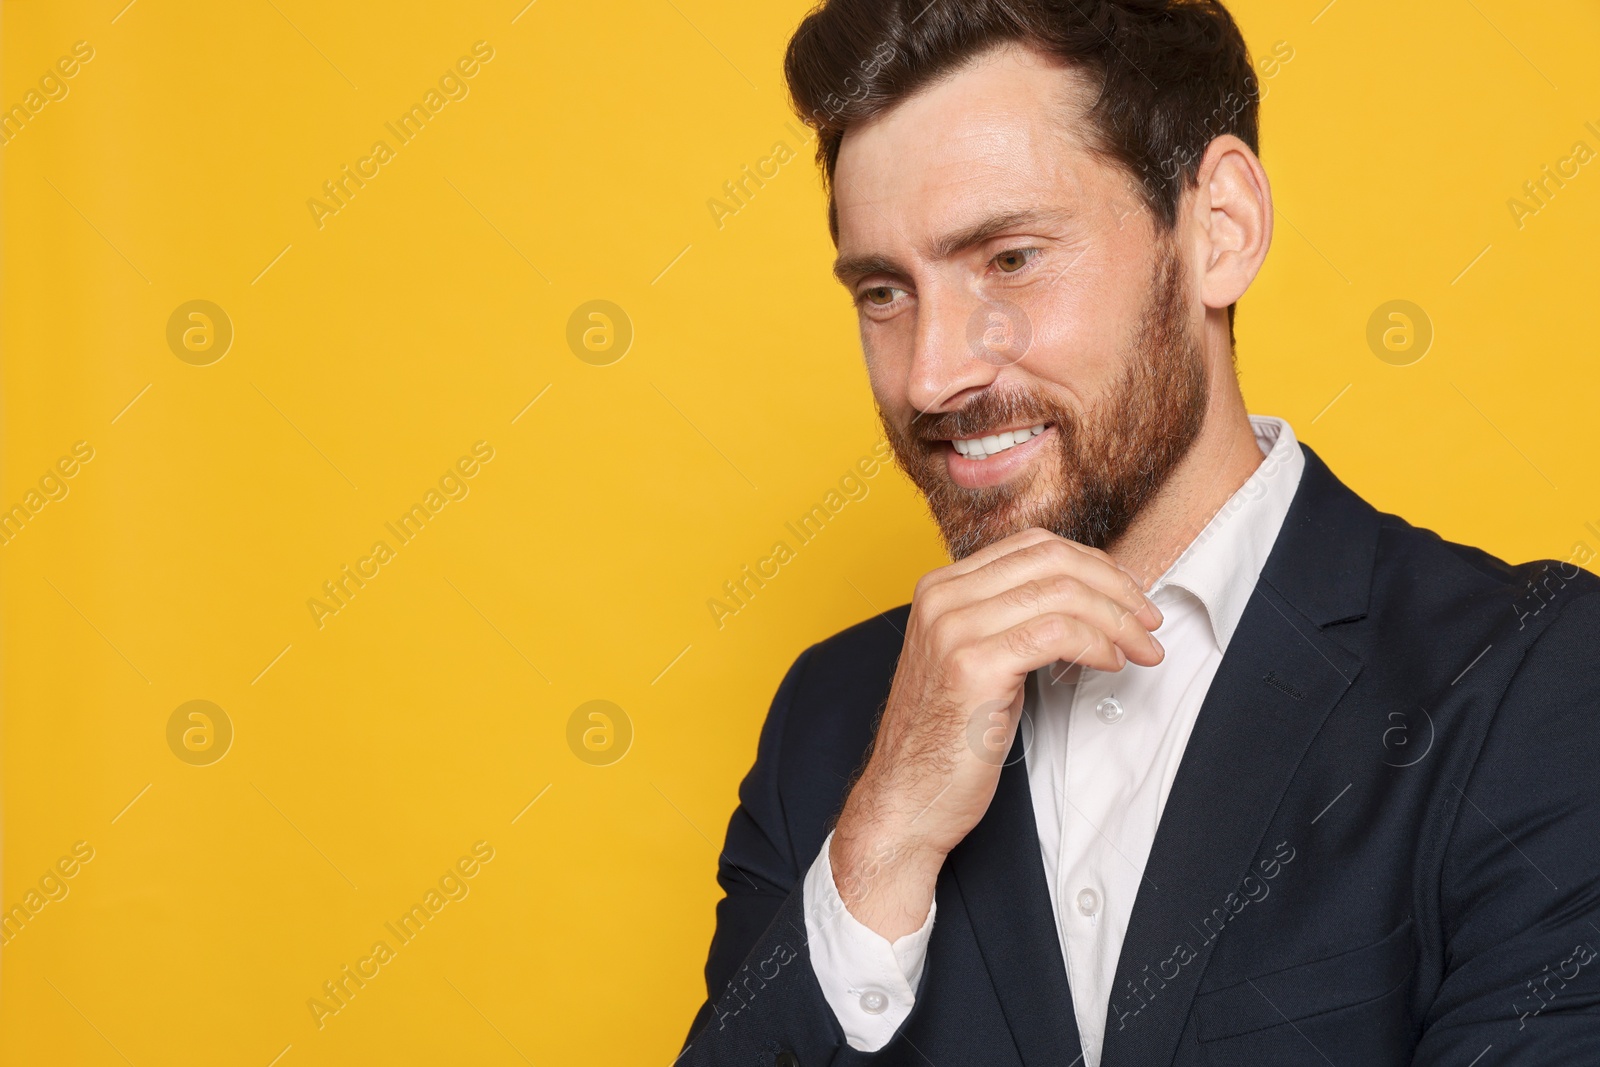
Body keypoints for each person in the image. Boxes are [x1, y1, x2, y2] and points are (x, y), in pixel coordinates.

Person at [679, 2, 1600, 1064]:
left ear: (1217, 230)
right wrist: (883, 844)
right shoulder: (832, 726)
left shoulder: (1532, 678)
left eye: (1011, 258)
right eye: (884, 290)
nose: (931, 373)